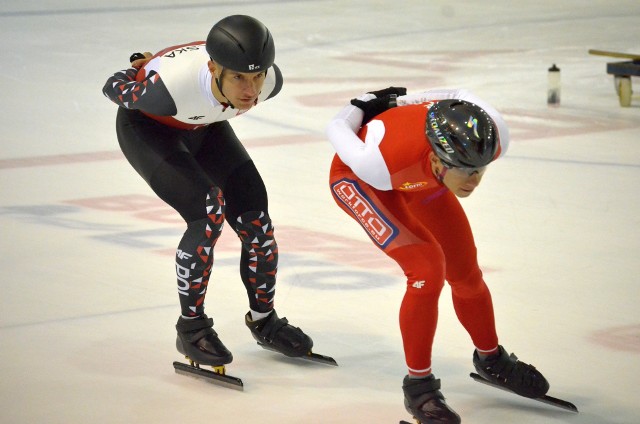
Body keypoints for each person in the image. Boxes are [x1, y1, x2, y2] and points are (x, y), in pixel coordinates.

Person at [102, 15, 313, 372]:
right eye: (239, 78)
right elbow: (112, 87)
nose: (251, 90)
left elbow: (250, 82)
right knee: (208, 212)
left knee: (256, 222)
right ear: (213, 68)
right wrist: (136, 68)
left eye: (257, 76)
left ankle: (264, 320)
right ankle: (191, 328)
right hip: (148, 128)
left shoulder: (269, 81)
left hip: (206, 126)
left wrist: (248, 79)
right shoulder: (168, 90)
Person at [326, 87, 550, 423]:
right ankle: (419, 387)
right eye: (466, 170)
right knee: (426, 270)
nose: (474, 181)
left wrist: (402, 100)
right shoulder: (374, 163)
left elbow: (459, 93)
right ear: (436, 159)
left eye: (480, 169)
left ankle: (490, 358)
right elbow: (336, 129)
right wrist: (360, 105)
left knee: (465, 273)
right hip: (364, 180)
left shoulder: (495, 133)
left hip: (425, 183)